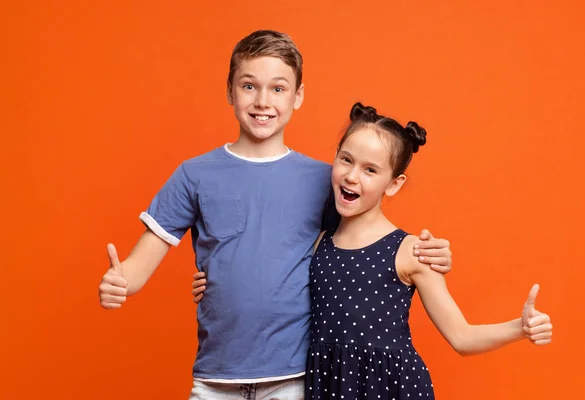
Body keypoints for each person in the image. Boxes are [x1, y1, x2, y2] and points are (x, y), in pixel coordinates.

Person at [98, 30, 453, 399]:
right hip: (215, 377)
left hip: (294, 378)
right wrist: (120, 281)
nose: (262, 101)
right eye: (249, 86)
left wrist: (429, 252)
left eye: (278, 89)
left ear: (298, 96)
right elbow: (139, 266)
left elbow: (362, 246)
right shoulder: (194, 175)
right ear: (229, 91)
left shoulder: (324, 181)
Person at [303, 102, 553, 399]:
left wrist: (519, 328)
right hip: (329, 384)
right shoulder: (320, 243)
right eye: (346, 160)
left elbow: (462, 337)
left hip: (390, 389)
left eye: (370, 170)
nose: (352, 176)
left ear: (394, 184)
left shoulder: (411, 251)